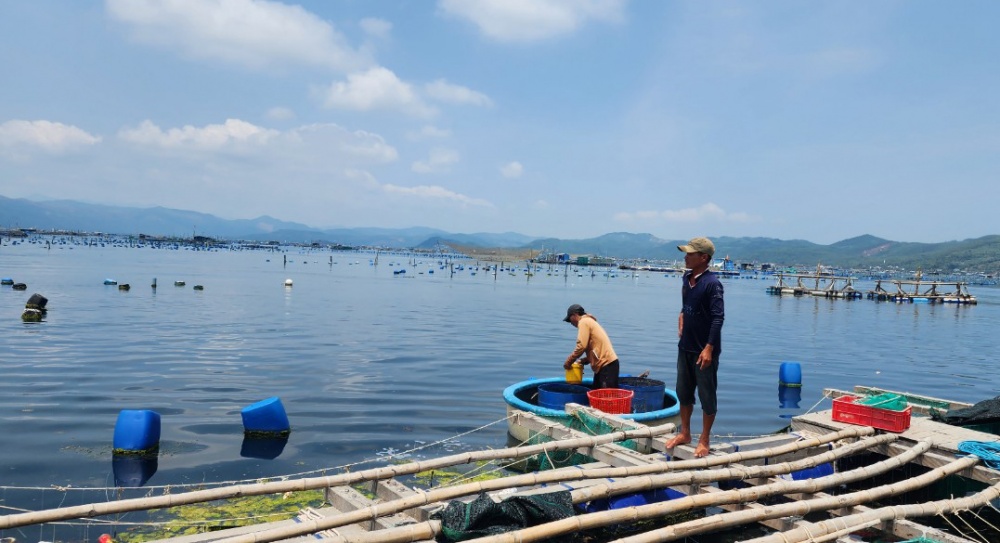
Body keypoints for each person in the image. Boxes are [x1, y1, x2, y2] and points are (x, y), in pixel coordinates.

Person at [666, 237, 725, 458]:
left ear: (704, 258)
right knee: (683, 392)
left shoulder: (712, 283)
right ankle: (686, 433)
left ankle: (704, 439)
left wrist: (709, 348)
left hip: (704, 351)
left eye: (690, 254)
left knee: (707, 395)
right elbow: (686, 305)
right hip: (685, 347)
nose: (685, 256)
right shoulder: (686, 278)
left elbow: (718, 318)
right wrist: (681, 315)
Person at [562, 304, 620, 389]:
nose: (570, 323)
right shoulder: (589, 322)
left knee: (606, 398)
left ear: (574, 315)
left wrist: (569, 362)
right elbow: (597, 347)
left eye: (569, 320)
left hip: (607, 365)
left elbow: (581, 346)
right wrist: (585, 360)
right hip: (604, 365)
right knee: (596, 393)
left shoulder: (583, 322)